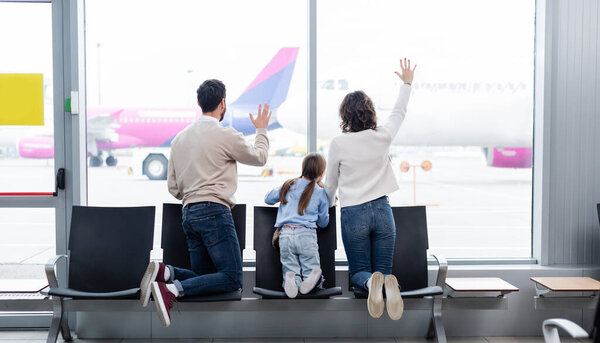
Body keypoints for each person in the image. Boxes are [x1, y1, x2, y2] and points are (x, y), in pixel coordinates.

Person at [139, 79, 272, 327]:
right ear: (223, 103)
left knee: (203, 279)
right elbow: (260, 157)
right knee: (232, 278)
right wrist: (261, 130)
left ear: (199, 103)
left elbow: (173, 187)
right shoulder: (226, 135)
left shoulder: (179, 139)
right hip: (215, 212)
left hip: (188, 213)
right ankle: (173, 289)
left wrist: (193, 196)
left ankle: (166, 273)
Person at [325, 58, 416, 320]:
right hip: (382, 210)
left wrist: (327, 207)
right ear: (370, 112)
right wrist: (407, 83)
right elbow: (399, 112)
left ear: (345, 115)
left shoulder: (338, 143)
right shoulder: (383, 136)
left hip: (353, 212)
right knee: (384, 270)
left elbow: (330, 184)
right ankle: (388, 282)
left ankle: (368, 283)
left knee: (359, 273)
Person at [264, 153, 330, 298]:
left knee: (290, 266)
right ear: (321, 173)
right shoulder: (320, 192)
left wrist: (283, 190)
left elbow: (268, 199)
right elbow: (323, 222)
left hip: (285, 235)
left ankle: (292, 279)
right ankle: (312, 279)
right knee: (310, 265)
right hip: (306, 234)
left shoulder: (289, 185)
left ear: (303, 168)